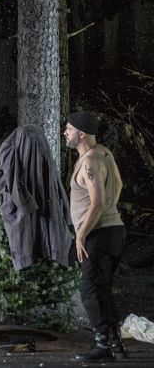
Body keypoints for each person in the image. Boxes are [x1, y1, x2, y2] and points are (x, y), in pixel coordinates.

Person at [63, 111, 127, 361]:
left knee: (89, 291)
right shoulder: (105, 154)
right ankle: (116, 346)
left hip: (98, 235)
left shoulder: (90, 161)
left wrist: (80, 234)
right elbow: (119, 185)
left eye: (69, 129)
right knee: (102, 291)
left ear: (81, 133)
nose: (65, 133)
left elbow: (98, 202)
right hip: (114, 231)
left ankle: (102, 346)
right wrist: (110, 212)